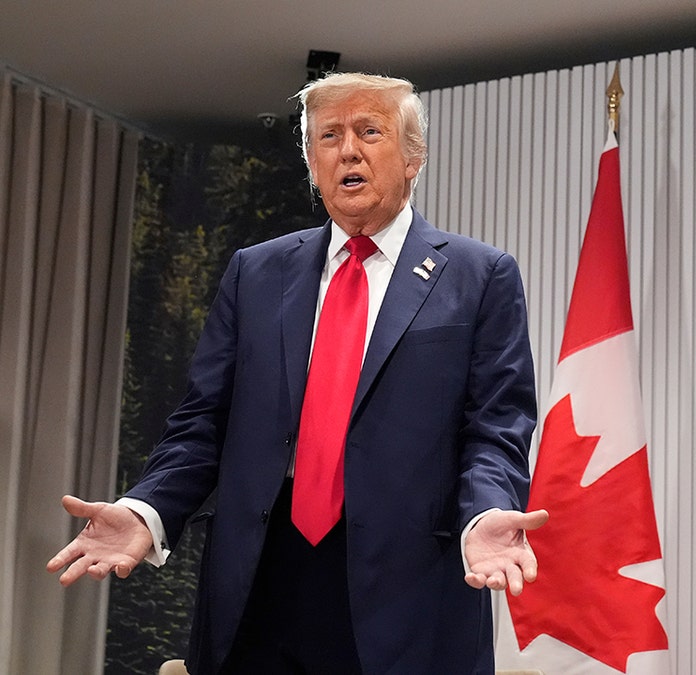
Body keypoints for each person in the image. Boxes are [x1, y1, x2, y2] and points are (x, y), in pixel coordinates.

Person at [47, 72, 548, 674]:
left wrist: (486, 514)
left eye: (370, 132)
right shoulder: (255, 273)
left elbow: (497, 427)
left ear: (413, 157)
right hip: (258, 590)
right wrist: (148, 508)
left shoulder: (480, 275)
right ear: (312, 163)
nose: (348, 151)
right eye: (329, 136)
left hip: (407, 596)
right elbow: (203, 420)